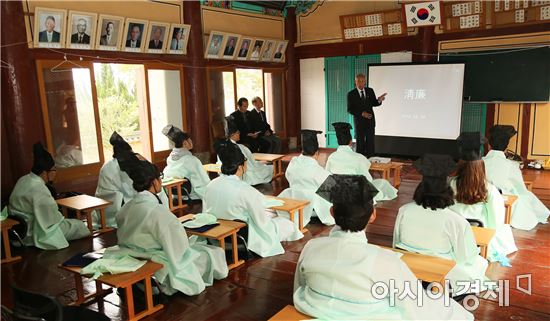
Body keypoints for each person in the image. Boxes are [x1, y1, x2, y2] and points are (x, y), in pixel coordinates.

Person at [294, 174, 473, 320]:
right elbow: (413, 305)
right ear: (373, 215)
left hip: (316, 310)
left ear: (332, 213)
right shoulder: (384, 260)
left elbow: (299, 287)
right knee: (449, 309)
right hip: (368, 316)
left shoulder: (311, 246)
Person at [104, 156, 228, 296]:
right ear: (155, 182)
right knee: (213, 253)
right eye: (160, 178)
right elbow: (179, 249)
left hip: (132, 255)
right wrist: (184, 236)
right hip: (158, 260)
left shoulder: (125, 208)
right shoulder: (158, 212)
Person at [393, 154, 490, 293]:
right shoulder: (456, 220)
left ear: (420, 188)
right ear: (448, 190)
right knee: (480, 263)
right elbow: (466, 256)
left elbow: (396, 242)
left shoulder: (404, 211)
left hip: (408, 269)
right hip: (440, 274)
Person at [203, 141, 302, 257]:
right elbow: (261, 221)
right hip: (242, 234)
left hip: (215, 231)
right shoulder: (245, 190)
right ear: (241, 166)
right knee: (288, 225)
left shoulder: (211, 185)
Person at [449, 132, 517, 264]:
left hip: (455, 229)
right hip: (479, 230)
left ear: (460, 165)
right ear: (481, 167)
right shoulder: (488, 189)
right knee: (505, 229)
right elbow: (495, 218)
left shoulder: (451, 183)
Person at [8, 143, 90, 250]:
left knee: (73, 223)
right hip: (34, 233)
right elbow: (52, 220)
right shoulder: (39, 189)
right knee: (79, 226)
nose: (54, 173)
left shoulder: (23, 180)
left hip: (18, 232)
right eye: (53, 170)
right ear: (44, 173)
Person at [94, 132, 169, 227]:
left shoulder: (110, 165)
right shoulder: (124, 165)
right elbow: (136, 188)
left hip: (117, 204)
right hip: (116, 204)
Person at [483, 125, 549, 230]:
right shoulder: (511, 165)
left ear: (489, 145)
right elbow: (521, 188)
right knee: (524, 196)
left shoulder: (480, 162)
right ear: (506, 147)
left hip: (482, 198)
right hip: (503, 200)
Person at [326, 122, 398, 202]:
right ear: (351, 141)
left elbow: (328, 177)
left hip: (338, 193)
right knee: (383, 183)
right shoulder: (359, 158)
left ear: (337, 141)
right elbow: (367, 180)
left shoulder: (331, 157)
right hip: (356, 194)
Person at [277, 130, 335, 226]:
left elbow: (288, 176)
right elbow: (331, 185)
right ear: (317, 153)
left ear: (302, 151)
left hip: (294, 199)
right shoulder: (318, 170)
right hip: (312, 205)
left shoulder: (293, 163)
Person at [162, 125, 210, 200]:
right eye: (189, 140)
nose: (191, 141)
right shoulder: (191, 160)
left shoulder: (170, 159)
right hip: (191, 197)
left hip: (175, 196)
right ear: (185, 143)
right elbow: (203, 183)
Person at [222, 116, 273, 185]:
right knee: (270, 169)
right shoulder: (240, 148)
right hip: (244, 173)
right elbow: (250, 165)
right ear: (233, 135)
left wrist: (259, 163)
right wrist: (259, 163)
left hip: (228, 174)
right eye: (238, 132)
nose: (239, 134)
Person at [347, 73, 387, 157]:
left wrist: (379, 100)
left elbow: (374, 103)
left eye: (362, 81)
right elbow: (350, 109)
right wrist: (361, 113)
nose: (360, 83)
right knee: (360, 143)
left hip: (370, 121)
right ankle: (360, 162)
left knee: (370, 143)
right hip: (359, 122)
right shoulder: (351, 94)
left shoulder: (370, 91)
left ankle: (371, 161)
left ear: (365, 82)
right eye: (358, 81)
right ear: (355, 82)